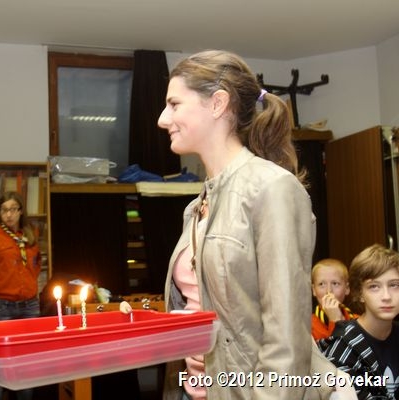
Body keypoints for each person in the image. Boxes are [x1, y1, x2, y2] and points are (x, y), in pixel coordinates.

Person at [158, 50, 318, 400]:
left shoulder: (272, 188)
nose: (162, 119)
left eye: (174, 104)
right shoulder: (196, 207)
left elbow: (287, 340)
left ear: (217, 103)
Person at [0, 191, 41, 400]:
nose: (9, 214)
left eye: (13, 209)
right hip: (1, 307)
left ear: (21, 211)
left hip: (30, 307)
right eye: (4, 210)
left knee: (27, 361)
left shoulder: (31, 234)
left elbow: (36, 265)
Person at [318, 244, 399, 399]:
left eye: (394, 285)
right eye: (374, 287)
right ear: (359, 293)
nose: (387, 296)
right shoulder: (343, 348)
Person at [312, 258, 358, 340]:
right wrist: (335, 321)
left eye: (335, 283)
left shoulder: (358, 321)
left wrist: (337, 320)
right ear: (314, 290)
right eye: (321, 284)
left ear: (347, 288)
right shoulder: (307, 326)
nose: (329, 291)